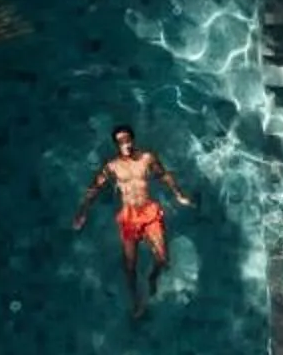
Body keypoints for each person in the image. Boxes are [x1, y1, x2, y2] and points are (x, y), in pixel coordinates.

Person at [73, 121, 193, 317]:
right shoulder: (112, 167)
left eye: (128, 140)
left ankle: (152, 278)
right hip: (129, 215)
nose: (125, 144)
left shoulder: (147, 158)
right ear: (116, 145)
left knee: (163, 260)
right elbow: (94, 188)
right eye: (121, 142)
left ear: (133, 140)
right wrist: (82, 211)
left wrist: (178, 194)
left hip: (149, 212)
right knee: (130, 266)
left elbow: (164, 175)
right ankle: (137, 302)